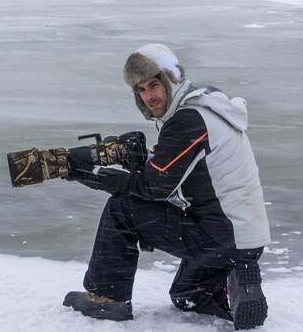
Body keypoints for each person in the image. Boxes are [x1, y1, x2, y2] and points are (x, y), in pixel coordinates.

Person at [63, 44, 271, 330]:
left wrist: (95, 175)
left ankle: (107, 297)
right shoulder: (205, 104)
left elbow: (156, 187)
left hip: (222, 235)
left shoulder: (188, 120)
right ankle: (242, 278)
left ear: (172, 79)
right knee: (187, 297)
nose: (148, 96)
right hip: (242, 237)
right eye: (140, 89)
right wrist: (138, 158)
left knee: (122, 208)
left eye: (154, 84)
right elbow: (176, 174)